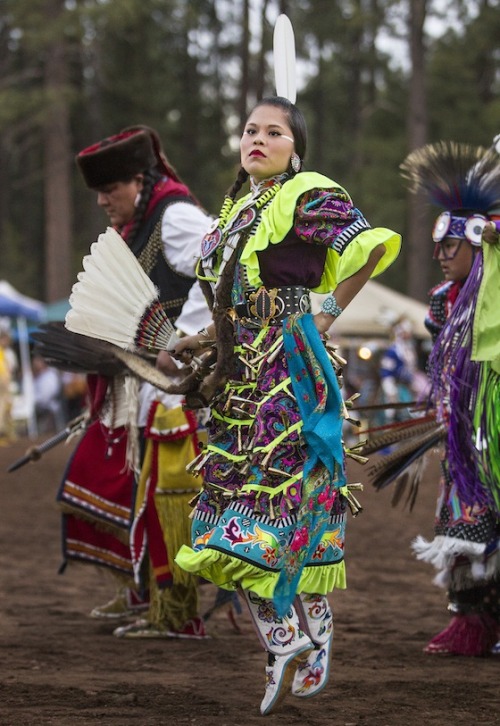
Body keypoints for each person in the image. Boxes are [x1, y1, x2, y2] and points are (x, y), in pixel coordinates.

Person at [169, 96, 401, 714]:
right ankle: (301, 629)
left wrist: (326, 312)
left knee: (284, 496)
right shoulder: (232, 216)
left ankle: (293, 632)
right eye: (250, 130)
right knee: (222, 504)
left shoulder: (309, 193)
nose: (258, 140)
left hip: (289, 370)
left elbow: (370, 246)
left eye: (274, 132)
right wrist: (202, 338)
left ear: (294, 148)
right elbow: (232, 302)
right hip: (236, 375)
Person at [57, 125, 213, 638]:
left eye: (111, 190)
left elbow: (224, 268)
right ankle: (145, 592)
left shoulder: (177, 217)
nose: (103, 201)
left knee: (173, 495)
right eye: (98, 193)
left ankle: (177, 611)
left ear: (140, 181)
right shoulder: (135, 228)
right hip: (145, 385)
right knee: (135, 490)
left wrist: (187, 339)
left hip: (182, 391)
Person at [400, 140, 500, 656]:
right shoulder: (443, 304)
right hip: (466, 437)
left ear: (478, 244)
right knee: (466, 521)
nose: (440, 255)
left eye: (451, 246)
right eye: (438, 245)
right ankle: (474, 622)